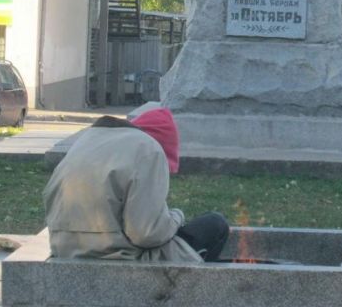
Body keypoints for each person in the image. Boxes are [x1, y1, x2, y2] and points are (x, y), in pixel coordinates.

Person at [43, 108, 229, 262]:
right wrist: (176, 217)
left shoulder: (88, 140)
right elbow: (147, 234)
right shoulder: (149, 148)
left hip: (65, 250)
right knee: (215, 224)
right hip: (118, 257)